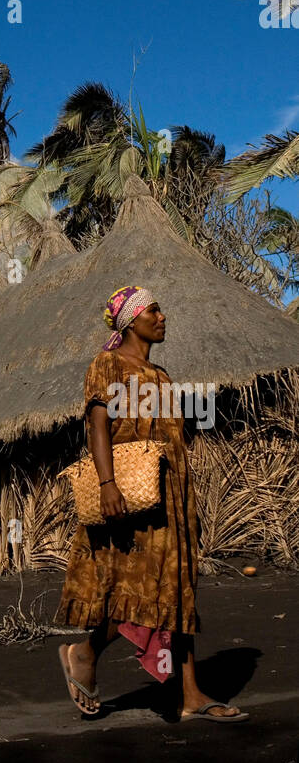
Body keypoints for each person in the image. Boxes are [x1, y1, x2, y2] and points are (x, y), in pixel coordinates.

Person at [55, 285, 248, 722]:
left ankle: (192, 693)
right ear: (130, 320)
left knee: (176, 588)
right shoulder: (107, 363)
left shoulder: (160, 375)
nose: (163, 317)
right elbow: (98, 425)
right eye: (153, 311)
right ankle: (85, 653)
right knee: (131, 590)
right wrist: (107, 485)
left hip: (172, 494)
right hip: (128, 494)